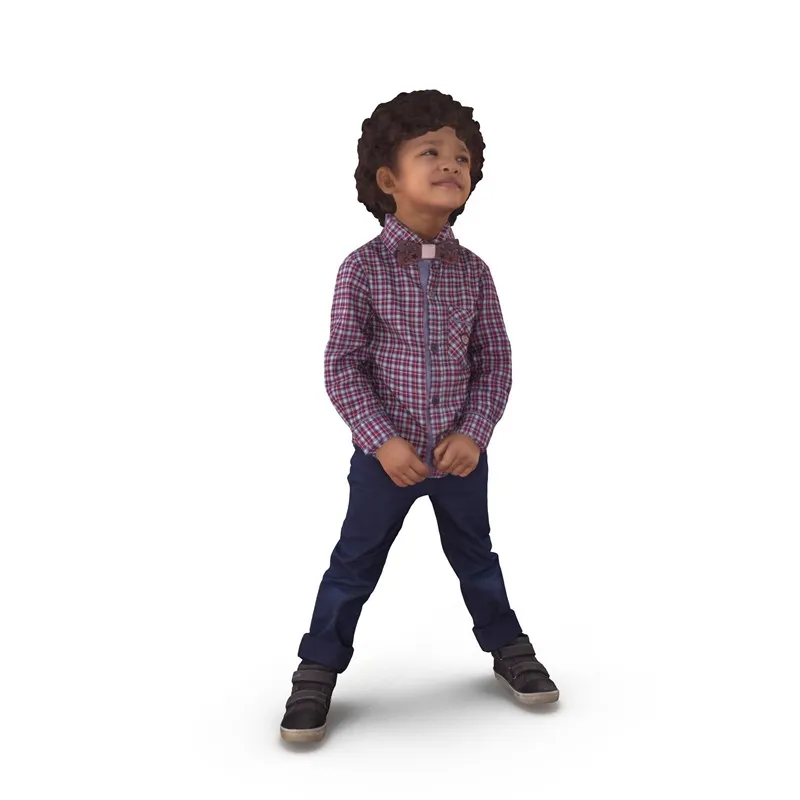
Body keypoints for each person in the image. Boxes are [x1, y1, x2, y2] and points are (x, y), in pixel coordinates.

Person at [280, 89, 559, 744]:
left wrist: (474, 433)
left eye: (460, 156)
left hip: (461, 458)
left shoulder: (476, 274)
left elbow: (495, 363)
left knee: (477, 557)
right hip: (388, 461)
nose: (450, 164)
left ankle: (508, 646)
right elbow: (342, 366)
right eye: (430, 152)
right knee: (354, 563)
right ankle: (317, 667)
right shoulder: (361, 270)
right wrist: (382, 442)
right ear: (388, 179)